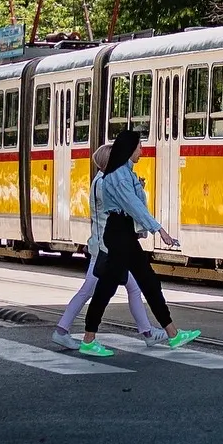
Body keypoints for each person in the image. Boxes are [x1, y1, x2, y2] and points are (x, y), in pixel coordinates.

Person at [78, 130, 199, 359]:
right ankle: (88, 339)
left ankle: (172, 334)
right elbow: (134, 206)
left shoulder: (125, 173)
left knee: (148, 282)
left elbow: (136, 202)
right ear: (130, 149)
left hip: (123, 233)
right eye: (139, 147)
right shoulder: (120, 176)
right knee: (107, 288)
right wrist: (158, 229)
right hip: (119, 233)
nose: (142, 152)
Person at [50, 143, 156, 352]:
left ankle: (148, 333)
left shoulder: (102, 182)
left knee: (130, 287)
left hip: (107, 248)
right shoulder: (103, 184)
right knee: (88, 291)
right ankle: (62, 332)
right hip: (105, 251)